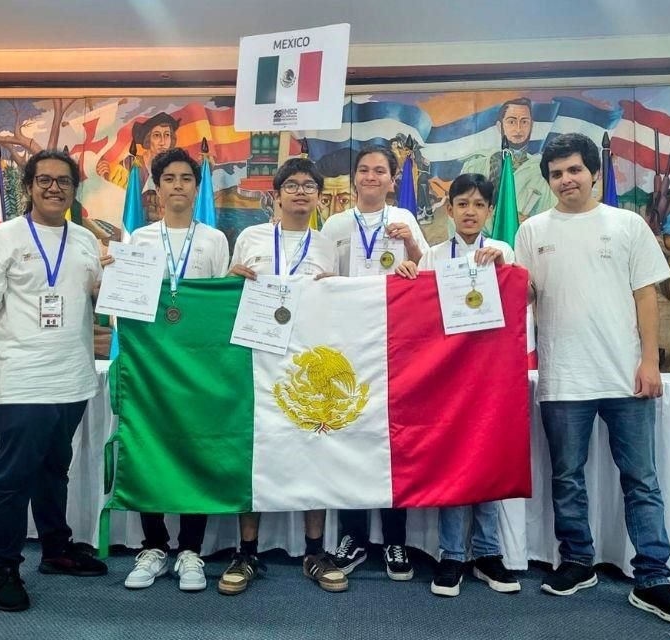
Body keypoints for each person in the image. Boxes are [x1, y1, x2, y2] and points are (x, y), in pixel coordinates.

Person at [514, 133, 670, 626]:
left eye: (574, 170)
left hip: (625, 376)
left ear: (593, 172)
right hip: (563, 377)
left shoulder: (627, 224)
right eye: (556, 173)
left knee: (641, 480)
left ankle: (654, 579)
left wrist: (650, 362)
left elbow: (645, 297)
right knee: (567, 478)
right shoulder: (532, 230)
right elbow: (525, 295)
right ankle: (577, 561)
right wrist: (496, 278)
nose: (566, 180)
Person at [0, 150, 107, 612]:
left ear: (73, 188)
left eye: (63, 181)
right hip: (21, 380)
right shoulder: (2, 237)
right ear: (29, 186)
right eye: (44, 180)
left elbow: (98, 302)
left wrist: (119, 277)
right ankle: (2, 569)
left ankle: (56, 549)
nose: (54, 188)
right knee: (12, 477)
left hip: (72, 378)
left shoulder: (86, 241)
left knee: (53, 469)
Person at [219, 157, 346, 595]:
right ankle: (247, 552)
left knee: (316, 448)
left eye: (308, 185)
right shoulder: (251, 237)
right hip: (256, 359)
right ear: (275, 194)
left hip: (306, 364)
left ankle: (315, 551)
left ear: (318, 195)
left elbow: (338, 305)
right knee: (254, 452)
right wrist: (230, 279)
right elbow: (229, 295)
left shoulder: (327, 243)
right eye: (291, 185)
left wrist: (335, 289)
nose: (300, 191)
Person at [394, 173, 521, 597]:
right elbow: (419, 314)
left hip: (490, 374)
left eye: (478, 204)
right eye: (462, 204)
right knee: (453, 460)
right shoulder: (432, 256)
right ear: (449, 211)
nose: (470, 211)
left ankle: (488, 554)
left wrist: (505, 271)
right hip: (449, 377)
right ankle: (452, 555)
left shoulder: (500, 250)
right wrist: (409, 274)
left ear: (488, 211)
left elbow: (525, 296)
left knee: (489, 457)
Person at [112, 148, 230, 592]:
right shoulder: (138, 239)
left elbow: (219, 304)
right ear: (156, 188)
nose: (178, 185)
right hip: (150, 365)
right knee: (151, 449)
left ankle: (191, 551)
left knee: (194, 450)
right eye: (170, 179)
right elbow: (126, 306)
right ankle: (155, 545)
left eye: (186, 178)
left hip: (197, 365)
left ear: (196, 188)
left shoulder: (214, 240)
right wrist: (114, 275)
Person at [319, 145, 429, 580]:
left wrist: (412, 257)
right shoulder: (335, 223)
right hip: (346, 344)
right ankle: (353, 537)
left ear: (392, 177)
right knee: (348, 439)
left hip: (394, 344)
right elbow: (322, 276)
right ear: (355, 178)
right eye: (363, 170)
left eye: (378, 170)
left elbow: (420, 274)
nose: (370, 176)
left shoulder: (405, 220)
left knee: (394, 440)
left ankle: (396, 541)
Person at [462, 97, 557, 221]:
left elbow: (550, 218)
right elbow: (457, 217)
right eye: (511, 122)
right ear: (499, 126)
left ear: (531, 126)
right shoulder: (476, 165)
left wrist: (528, 223)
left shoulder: (542, 171)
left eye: (524, 122)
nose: (518, 129)